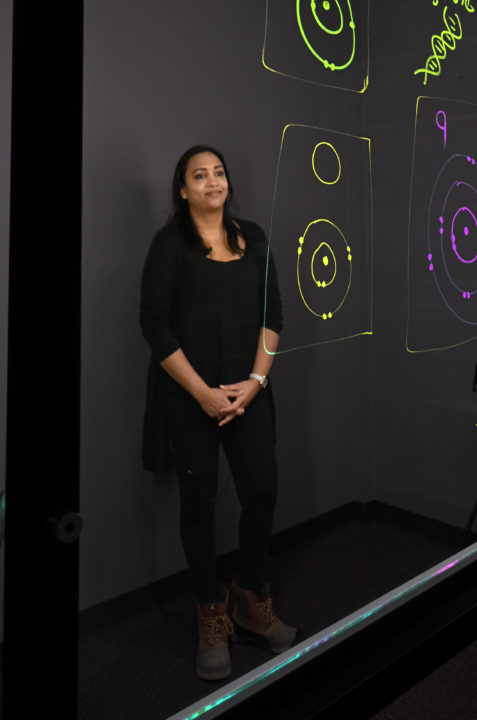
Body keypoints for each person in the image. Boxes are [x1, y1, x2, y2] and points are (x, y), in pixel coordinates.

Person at [140, 144, 295, 680]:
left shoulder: (254, 237)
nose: (213, 181)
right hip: (189, 399)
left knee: (261, 491)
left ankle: (250, 601)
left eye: (219, 172)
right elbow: (154, 327)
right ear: (183, 190)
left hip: (249, 393)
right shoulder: (169, 246)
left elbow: (273, 313)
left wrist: (255, 382)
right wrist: (205, 393)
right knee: (199, 506)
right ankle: (210, 612)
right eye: (199, 175)